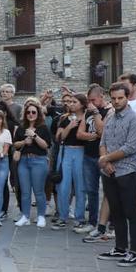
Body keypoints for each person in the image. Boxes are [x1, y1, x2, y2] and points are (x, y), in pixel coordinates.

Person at [95, 83, 136, 265]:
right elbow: (102, 141)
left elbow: (131, 147)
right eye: (114, 98)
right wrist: (105, 160)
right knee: (116, 212)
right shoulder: (110, 119)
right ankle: (120, 248)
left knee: (131, 212)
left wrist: (106, 158)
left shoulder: (135, 119)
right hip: (109, 172)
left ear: (127, 97)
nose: (116, 101)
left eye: (120, 98)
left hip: (128, 171)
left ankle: (135, 251)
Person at [13, 101, 51, 227]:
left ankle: (41, 216)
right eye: (28, 112)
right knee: (25, 191)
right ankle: (25, 216)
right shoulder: (21, 127)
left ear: (38, 113)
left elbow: (46, 145)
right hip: (24, 160)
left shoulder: (43, 128)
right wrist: (24, 141)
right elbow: (15, 144)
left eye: (33, 112)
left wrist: (34, 136)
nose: (30, 114)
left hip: (39, 161)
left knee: (39, 191)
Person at [53, 92, 88, 230]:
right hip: (66, 151)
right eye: (70, 102)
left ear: (82, 104)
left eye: (74, 102)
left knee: (80, 186)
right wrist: (70, 126)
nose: (71, 104)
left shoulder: (87, 117)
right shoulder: (64, 118)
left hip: (81, 152)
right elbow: (59, 138)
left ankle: (80, 217)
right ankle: (63, 216)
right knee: (63, 185)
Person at [77, 85, 108, 237]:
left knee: (108, 192)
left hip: (103, 156)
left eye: (92, 100)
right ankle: (92, 222)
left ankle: (106, 224)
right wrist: (93, 136)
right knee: (91, 191)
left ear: (101, 96)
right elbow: (80, 134)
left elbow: (102, 131)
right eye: (88, 100)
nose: (89, 103)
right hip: (88, 155)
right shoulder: (88, 112)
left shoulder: (109, 111)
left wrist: (95, 112)